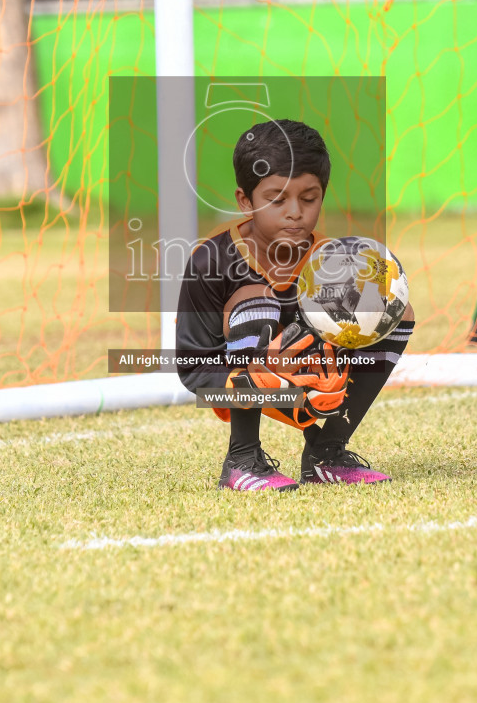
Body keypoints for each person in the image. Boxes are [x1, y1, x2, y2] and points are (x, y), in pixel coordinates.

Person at [175, 120, 414, 492]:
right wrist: (251, 382)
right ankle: (242, 459)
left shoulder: (332, 260)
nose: (294, 212)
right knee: (254, 300)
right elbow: (192, 369)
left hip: (316, 387)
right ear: (245, 200)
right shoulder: (211, 261)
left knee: (390, 306)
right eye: (276, 199)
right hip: (240, 383)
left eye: (308, 198)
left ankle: (327, 453)